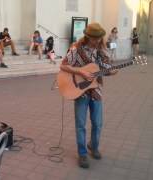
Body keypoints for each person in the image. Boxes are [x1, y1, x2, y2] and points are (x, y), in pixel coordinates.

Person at [60, 23, 118, 169]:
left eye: (99, 38)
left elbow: (105, 69)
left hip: (96, 91)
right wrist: (80, 72)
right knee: (80, 124)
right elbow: (63, 65)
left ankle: (93, 146)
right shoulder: (76, 49)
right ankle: (82, 153)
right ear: (88, 36)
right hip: (80, 91)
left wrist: (111, 71)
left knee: (97, 123)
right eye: (94, 38)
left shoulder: (101, 51)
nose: (97, 41)